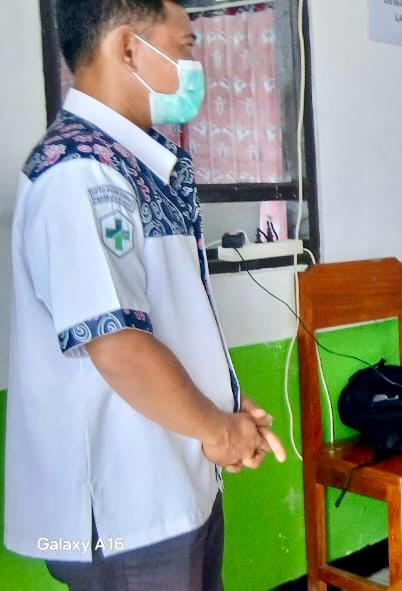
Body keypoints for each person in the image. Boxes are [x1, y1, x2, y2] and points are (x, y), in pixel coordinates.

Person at [5, 1, 286, 587]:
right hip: (126, 510)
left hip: (175, 483)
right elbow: (117, 343)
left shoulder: (133, 162)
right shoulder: (78, 171)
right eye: (184, 47)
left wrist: (223, 410)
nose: (194, 66)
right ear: (129, 48)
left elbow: (169, 318)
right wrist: (218, 430)